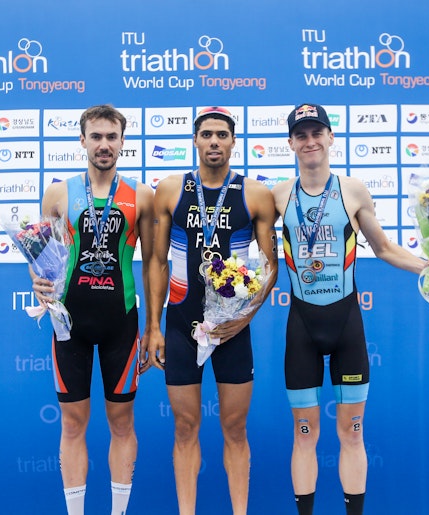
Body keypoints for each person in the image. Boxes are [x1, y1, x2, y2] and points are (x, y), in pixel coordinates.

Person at [270, 103, 429, 515]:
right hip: (302, 326)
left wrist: (425, 265)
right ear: (291, 143)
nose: (310, 141)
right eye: (301, 135)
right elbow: (259, 255)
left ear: (331, 137)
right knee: (304, 434)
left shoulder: (352, 190)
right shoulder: (278, 195)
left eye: (317, 133)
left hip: (346, 323)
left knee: (352, 433)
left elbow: (383, 247)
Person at [147, 106, 278, 515]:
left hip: (232, 330)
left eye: (222, 134)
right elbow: (157, 261)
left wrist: (245, 317)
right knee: (185, 427)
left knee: (235, 428)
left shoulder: (255, 194)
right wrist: (154, 327)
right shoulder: (171, 189)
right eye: (207, 134)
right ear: (195, 140)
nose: (214, 141)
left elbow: (270, 266)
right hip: (181, 324)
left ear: (234, 141)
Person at [31, 104, 155, 515]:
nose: (104, 144)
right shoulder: (58, 193)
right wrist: (37, 281)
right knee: (72, 424)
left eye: (111, 137)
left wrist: (154, 327)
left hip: (121, 323)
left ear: (122, 141)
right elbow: (43, 257)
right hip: (70, 325)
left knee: (122, 423)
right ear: (82, 140)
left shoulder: (141, 196)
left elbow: (154, 263)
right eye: (96, 136)